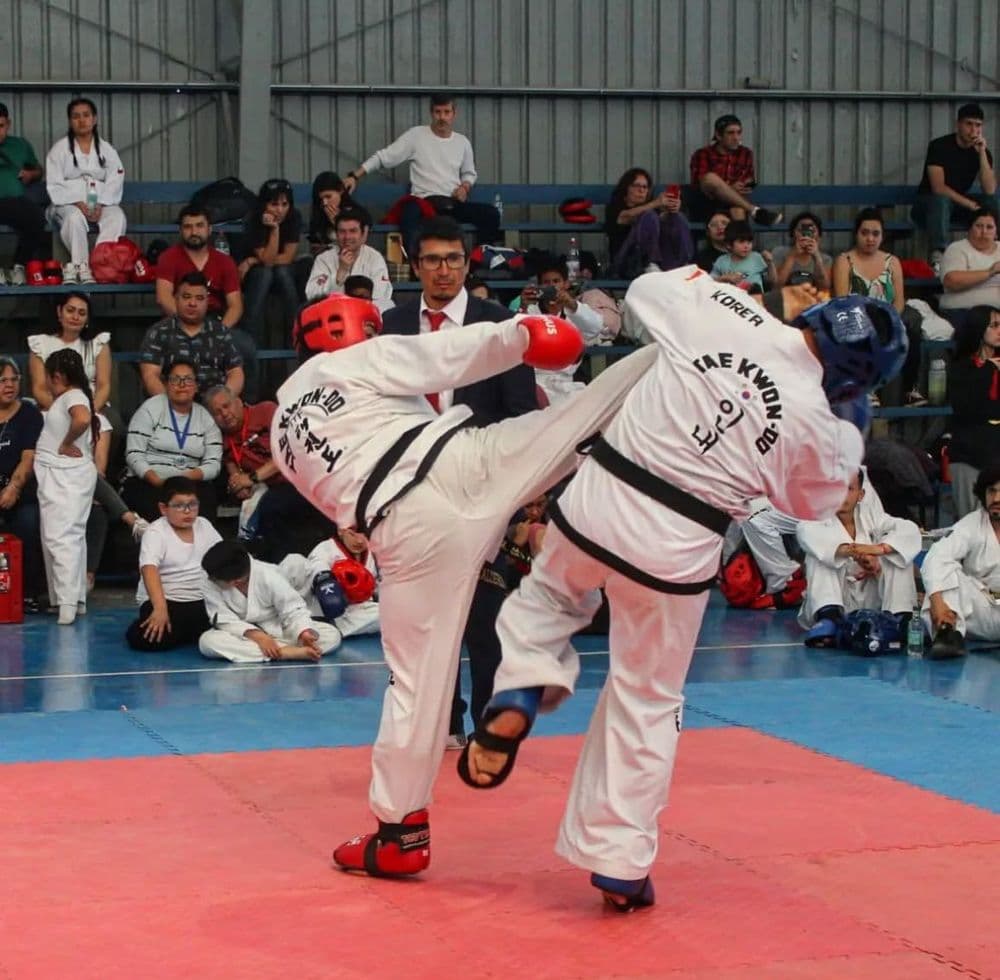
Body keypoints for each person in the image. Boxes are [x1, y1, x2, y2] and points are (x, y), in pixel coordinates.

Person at [459, 271, 906, 911]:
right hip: (676, 552)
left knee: (546, 601)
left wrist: (725, 292)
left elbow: (643, 293)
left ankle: (520, 686)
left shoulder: (727, 310)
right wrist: (848, 418)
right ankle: (620, 861)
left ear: (817, 316)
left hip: (597, 502)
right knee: (646, 696)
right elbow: (812, 501)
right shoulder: (823, 426)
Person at [271, 291, 659, 877]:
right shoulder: (348, 362)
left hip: (402, 535)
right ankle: (685, 353)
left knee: (415, 688)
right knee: (579, 417)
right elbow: (443, 354)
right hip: (456, 466)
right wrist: (521, 336)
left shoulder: (280, 435)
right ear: (353, 331)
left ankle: (400, 834)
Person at [342, 93, 499, 258]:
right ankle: (415, 266)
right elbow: (384, 157)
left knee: (491, 214)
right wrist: (355, 176)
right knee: (409, 214)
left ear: (454, 114)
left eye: (446, 112)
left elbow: (469, 173)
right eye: (438, 112)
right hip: (424, 203)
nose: (442, 117)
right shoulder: (416, 136)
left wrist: (465, 187)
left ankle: (478, 261)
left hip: (451, 204)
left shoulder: (462, 142)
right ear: (431, 113)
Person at [204, 384, 332, 560]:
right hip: (274, 487)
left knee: (271, 507)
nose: (224, 414)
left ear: (239, 402)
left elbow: (290, 450)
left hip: (302, 476)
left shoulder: (266, 410)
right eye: (217, 412)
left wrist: (251, 478)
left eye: (227, 406)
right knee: (267, 507)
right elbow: (234, 471)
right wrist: (238, 486)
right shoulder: (223, 438)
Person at [796, 469, 920, 648]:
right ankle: (828, 618)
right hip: (837, 599)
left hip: (870, 598)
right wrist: (854, 553)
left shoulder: (872, 518)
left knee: (897, 554)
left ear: (860, 495)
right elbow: (805, 532)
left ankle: (900, 619)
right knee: (818, 557)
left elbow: (909, 529)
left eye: (849, 489)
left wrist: (877, 552)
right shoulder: (814, 517)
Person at [33, 349, 101, 625]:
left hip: (65, 476)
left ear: (57, 376)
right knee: (70, 537)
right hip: (63, 475)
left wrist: (67, 442)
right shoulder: (73, 396)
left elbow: (82, 419)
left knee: (60, 537)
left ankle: (67, 603)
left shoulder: (72, 396)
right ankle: (73, 600)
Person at [832, 208, 925, 407]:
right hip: (855, 316)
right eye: (865, 233)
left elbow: (899, 300)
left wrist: (891, 318)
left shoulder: (892, 262)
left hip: (888, 316)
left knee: (913, 329)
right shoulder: (844, 260)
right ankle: (868, 389)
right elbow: (842, 299)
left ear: (882, 236)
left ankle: (911, 390)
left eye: (876, 234)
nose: (870, 238)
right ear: (856, 234)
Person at [198, 540, 342, 663]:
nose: (211, 580)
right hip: (243, 634)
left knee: (331, 636)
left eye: (216, 580)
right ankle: (286, 652)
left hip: (277, 626)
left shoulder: (269, 575)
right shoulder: (210, 578)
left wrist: (303, 633)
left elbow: (293, 608)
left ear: (236, 581)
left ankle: (273, 650)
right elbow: (223, 619)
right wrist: (259, 637)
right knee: (207, 642)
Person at [125, 477, 221, 652]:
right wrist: (160, 609)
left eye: (193, 504)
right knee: (149, 640)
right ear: (163, 508)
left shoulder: (204, 525)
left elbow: (223, 555)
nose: (188, 511)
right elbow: (149, 569)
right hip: (167, 600)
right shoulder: (156, 532)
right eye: (179, 506)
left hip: (203, 599)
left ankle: (190, 632)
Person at [123, 357, 223, 521]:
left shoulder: (205, 418)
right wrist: (156, 480)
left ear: (197, 386)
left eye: (188, 379)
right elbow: (134, 454)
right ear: (166, 384)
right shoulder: (150, 408)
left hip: (190, 482)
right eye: (175, 379)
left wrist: (186, 478)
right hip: (151, 480)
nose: (182, 385)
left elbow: (213, 464)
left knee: (207, 499)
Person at [920, 463, 1000, 659]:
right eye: (992, 491)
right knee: (947, 569)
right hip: (982, 609)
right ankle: (947, 634)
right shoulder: (973, 523)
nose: (996, 498)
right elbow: (937, 556)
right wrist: (937, 602)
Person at [45, 97, 126, 285]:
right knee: (74, 218)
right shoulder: (59, 150)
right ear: (70, 121)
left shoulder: (107, 150)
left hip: (99, 201)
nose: (81, 120)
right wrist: (76, 201)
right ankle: (81, 267)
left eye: (86, 115)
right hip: (66, 204)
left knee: (117, 216)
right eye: (76, 116)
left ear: (94, 119)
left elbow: (116, 177)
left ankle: (102, 263)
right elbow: (54, 184)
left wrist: (101, 203)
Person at [911, 103, 998, 268]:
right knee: (941, 200)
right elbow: (938, 187)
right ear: (958, 124)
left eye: (978, 125)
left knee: (993, 202)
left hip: (956, 206)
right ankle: (939, 256)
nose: (973, 130)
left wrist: (982, 155)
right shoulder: (939, 146)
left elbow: (990, 189)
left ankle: (995, 251)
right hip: (928, 205)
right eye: (969, 124)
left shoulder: (982, 151)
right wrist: (969, 204)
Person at [139, 271, 245, 397]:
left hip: (214, 408)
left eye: (199, 298)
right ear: (176, 299)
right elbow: (150, 376)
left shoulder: (220, 332)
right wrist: (169, 407)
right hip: (172, 404)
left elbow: (235, 372)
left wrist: (224, 399)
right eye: (186, 297)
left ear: (207, 302)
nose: (192, 303)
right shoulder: (159, 332)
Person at [518, 258, 604, 404]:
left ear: (566, 284)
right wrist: (522, 308)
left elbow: (596, 328)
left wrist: (572, 304)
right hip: (534, 382)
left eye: (556, 281)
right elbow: (512, 338)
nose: (552, 286)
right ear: (539, 286)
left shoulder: (576, 312)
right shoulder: (529, 312)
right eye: (546, 283)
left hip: (567, 384)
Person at [0, 356, 46, 611]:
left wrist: (13, 488)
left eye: (13, 379)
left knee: (30, 522)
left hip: (21, 489)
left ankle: (29, 592)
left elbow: (29, 457)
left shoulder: (29, 413)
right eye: (2, 380)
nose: (9, 385)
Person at [278, 526, 381, 639]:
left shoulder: (374, 554)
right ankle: (273, 613)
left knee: (384, 613)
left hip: (343, 614)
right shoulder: (326, 548)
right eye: (352, 534)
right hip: (309, 599)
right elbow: (317, 563)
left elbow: (379, 586)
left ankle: (324, 629)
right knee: (294, 561)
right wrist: (325, 581)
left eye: (365, 535)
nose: (359, 541)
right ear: (341, 531)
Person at [153, 204, 245, 328]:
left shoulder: (225, 261)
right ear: (180, 231)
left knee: (245, 344)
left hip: (216, 322)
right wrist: (189, 326)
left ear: (209, 229)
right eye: (188, 227)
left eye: (199, 226)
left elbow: (235, 306)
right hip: (178, 322)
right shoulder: (168, 258)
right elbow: (163, 298)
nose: (194, 232)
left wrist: (219, 332)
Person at [947, 305, 1000, 517]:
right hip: (970, 453)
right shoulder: (962, 368)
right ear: (978, 329)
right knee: (970, 523)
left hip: (996, 448)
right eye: (995, 325)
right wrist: (989, 370)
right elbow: (966, 409)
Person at [239, 178, 302, 344]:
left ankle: (297, 330)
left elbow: (287, 257)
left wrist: (254, 260)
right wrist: (275, 229)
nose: (280, 210)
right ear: (264, 205)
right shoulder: (254, 219)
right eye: (274, 204)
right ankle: (249, 335)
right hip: (256, 274)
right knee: (265, 274)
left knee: (282, 272)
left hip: (281, 270)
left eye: (284, 204)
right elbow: (267, 261)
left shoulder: (294, 217)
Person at [687, 114, 781, 226]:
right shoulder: (703, 154)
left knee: (738, 209)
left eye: (739, 132)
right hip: (707, 204)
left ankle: (740, 240)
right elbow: (701, 184)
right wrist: (729, 187)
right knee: (710, 178)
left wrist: (743, 185)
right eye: (730, 133)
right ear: (718, 135)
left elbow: (747, 180)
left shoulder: (745, 153)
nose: (736, 137)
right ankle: (754, 211)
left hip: (734, 203)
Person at [604, 167, 693, 277]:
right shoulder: (615, 206)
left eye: (645, 187)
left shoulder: (653, 209)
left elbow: (662, 220)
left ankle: (682, 264)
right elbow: (624, 217)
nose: (641, 190)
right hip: (626, 264)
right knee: (649, 215)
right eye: (636, 186)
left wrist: (672, 211)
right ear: (626, 187)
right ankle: (649, 264)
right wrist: (655, 203)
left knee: (678, 218)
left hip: (662, 264)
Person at [305, 207, 394, 311]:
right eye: (342, 231)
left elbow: (381, 295)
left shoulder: (374, 257)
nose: (347, 237)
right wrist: (340, 273)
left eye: (353, 231)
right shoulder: (324, 259)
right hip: (334, 313)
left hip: (366, 314)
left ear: (363, 232)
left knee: (388, 305)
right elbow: (312, 295)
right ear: (336, 234)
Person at [0, 102, 46, 286]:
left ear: (8, 124)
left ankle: (19, 266)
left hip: (14, 202)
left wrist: (30, 174)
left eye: (0, 126)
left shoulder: (19, 145)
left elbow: (38, 170)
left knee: (37, 217)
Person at [938, 207, 1000, 330]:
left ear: (996, 232)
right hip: (963, 312)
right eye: (978, 226)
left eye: (989, 227)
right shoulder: (957, 249)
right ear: (969, 229)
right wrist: (990, 272)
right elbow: (951, 281)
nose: (983, 232)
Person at [772, 212, 832, 290]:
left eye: (811, 231)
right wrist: (792, 256)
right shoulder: (779, 253)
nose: (806, 235)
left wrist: (817, 258)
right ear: (792, 234)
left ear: (819, 236)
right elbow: (775, 287)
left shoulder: (826, 259)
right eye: (801, 230)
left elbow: (825, 288)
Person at [711, 220, 775, 292]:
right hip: (732, 301)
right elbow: (709, 282)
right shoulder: (721, 261)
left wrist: (770, 263)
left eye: (749, 242)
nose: (746, 246)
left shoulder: (756, 257)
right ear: (729, 244)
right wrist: (724, 278)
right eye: (741, 242)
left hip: (755, 300)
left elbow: (772, 281)